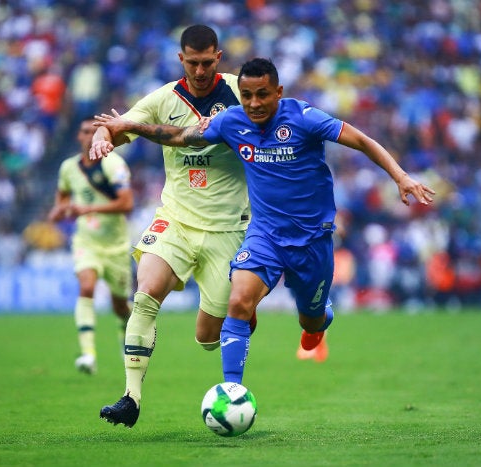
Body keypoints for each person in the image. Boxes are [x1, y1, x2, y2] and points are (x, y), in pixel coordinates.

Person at [94, 58, 435, 389]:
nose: (254, 103)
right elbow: (182, 137)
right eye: (247, 95)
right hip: (264, 236)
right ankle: (232, 392)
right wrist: (129, 126)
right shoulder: (231, 121)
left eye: (262, 94)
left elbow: (361, 140)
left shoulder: (303, 117)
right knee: (239, 301)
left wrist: (401, 177)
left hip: (312, 241)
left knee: (311, 319)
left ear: (278, 91)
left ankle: (318, 321)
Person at [89, 25, 254, 427]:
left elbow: (190, 137)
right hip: (175, 220)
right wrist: (101, 135)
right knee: (145, 292)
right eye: (192, 63)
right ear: (181, 59)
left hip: (227, 230)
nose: (199, 71)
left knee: (206, 338)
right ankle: (131, 397)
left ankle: (241, 314)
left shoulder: (240, 92)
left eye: (206, 62)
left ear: (218, 57)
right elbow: (116, 125)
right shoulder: (164, 98)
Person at [47, 116, 134, 374]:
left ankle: (127, 343)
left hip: (116, 245)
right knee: (86, 286)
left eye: (94, 132)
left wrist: (87, 208)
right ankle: (88, 354)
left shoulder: (114, 164)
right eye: (85, 131)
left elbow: (127, 204)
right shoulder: (68, 168)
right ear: (78, 136)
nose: (89, 136)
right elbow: (62, 194)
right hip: (86, 241)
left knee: (120, 306)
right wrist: (58, 210)